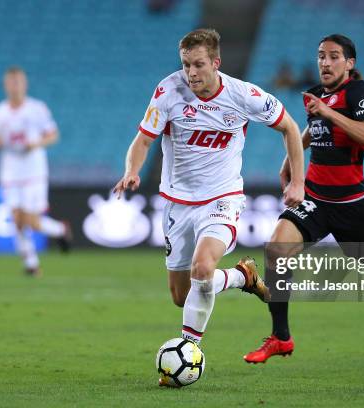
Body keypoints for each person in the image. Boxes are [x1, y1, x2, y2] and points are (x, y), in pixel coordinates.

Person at [112, 28, 305, 382]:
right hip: (176, 204)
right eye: (186, 64)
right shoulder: (168, 91)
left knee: (202, 269)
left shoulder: (243, 95)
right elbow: (143, 140)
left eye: (198, 64)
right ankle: (240, 276)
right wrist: (131, 171)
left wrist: (298, 182)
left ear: (216, 62)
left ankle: (189, 351)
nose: (191, 73)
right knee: (180, 294)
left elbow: (291, 128)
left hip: (222, 198)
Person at [243, 34, 364, 365]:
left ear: (349, 63)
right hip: (317, 201)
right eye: (321, 55)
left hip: (354, 208)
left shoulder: (356, 93)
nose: (324, 62)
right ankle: (281, 337)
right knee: (277, 249)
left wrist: (329, 112)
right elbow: (312, 129)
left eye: (334, 56)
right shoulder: (320, 95)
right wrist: (290, 162)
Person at [0, 67, 72, 277]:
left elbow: (53, 135)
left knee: (31, 221)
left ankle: (61, 230)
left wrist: (35, 144)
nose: (15, 86)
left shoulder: (37, 108)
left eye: (18, 81)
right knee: (17, 220)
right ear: (6, 85)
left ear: (24, 84)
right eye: (11, 82)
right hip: (10, 172)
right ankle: (31, 264)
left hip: (33, 171)